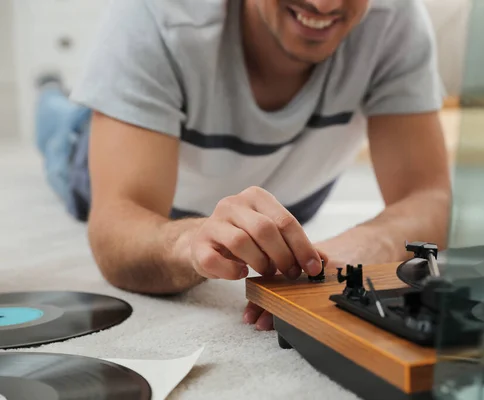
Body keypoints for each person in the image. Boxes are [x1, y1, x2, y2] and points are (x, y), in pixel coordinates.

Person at [35, 0, 452, 331]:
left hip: (290, 197)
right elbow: (115, 225)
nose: (324, 4)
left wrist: (359, 250)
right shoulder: (156, 14)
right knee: (59, 123)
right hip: (134, 179)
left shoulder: (396, 18)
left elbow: (431, 197)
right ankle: (51, 92)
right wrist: (192, 243)